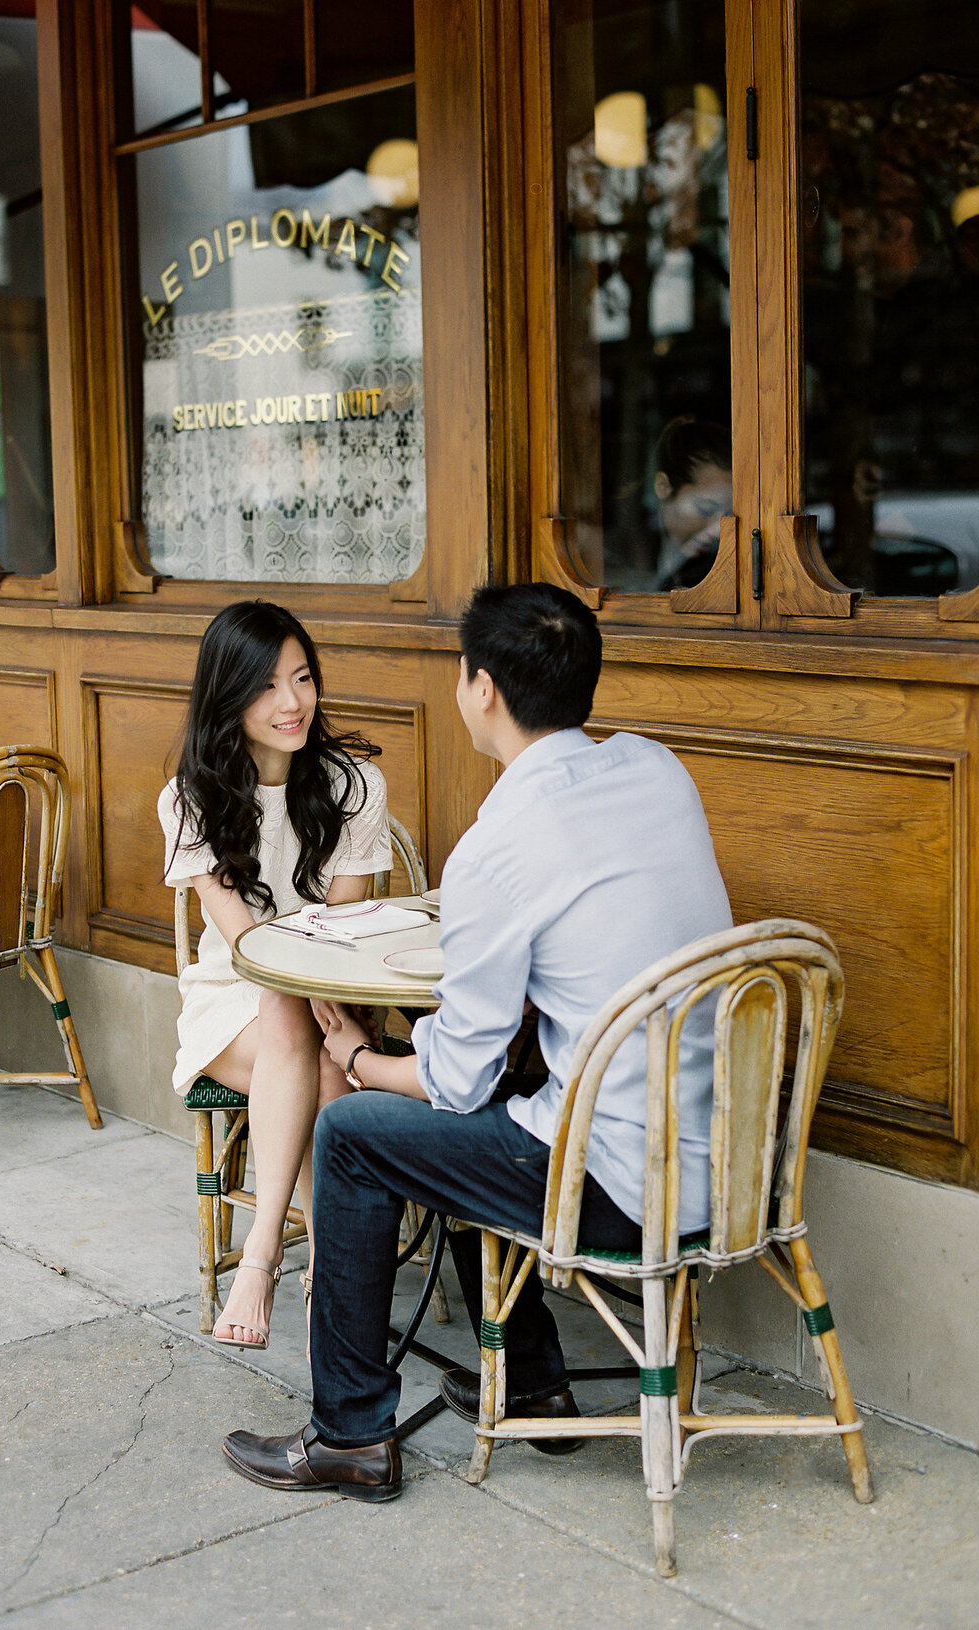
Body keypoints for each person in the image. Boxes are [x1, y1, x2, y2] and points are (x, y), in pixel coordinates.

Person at [220, 581, 732, 1501]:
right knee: (485, 1119)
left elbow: (456, 1080)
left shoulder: (498, 846)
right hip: (731, 1163)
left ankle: (349, 1434)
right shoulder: (659, 768)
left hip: (617, 1190)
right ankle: (535, 1384)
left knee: (360, 1133)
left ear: (480, 688)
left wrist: (358, 1062)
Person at [158, 600, 391, 1351]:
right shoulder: (189, 798)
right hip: (231, 1001)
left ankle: (279, 1264)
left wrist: (336, 1014)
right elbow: (251, 947)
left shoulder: (353, 785)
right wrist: (324, 1017)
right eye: (264, 687)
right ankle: (298, 1264)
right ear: (227, 697)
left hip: (331, 994)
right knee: (293, 1021)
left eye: (301, 678)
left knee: (311, 1044)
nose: (290, 703)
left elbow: (341, 937)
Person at [651, 416, 733, 590]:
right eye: (705, 509)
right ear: (663, 486)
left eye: (729, 513)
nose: (717, 529)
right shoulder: (633, 545)